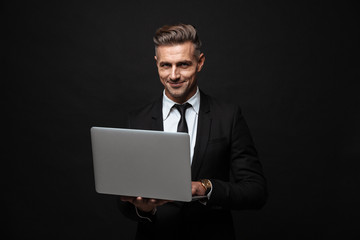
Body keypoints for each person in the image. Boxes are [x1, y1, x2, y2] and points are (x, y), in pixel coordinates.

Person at [118, 23, 267, 240]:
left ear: (200, 62)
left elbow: (256, 191)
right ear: (156, 64)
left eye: (183, 65)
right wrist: (144, 209)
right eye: (165, 65)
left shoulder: (229, 116)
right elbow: (122, 200)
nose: (174, 75)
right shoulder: (137, 120)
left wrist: (205, 188)